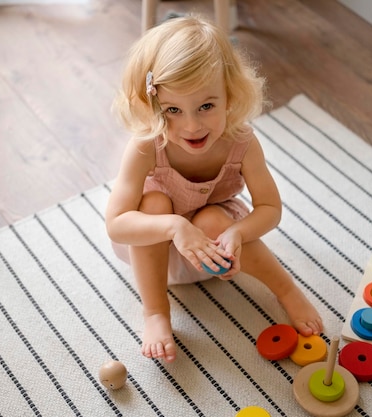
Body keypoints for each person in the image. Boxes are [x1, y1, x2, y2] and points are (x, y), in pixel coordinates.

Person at [105, 15, 323, 363]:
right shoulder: (147, 146)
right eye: (172, 110)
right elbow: (116, 223)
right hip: (156, 254)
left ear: (230, 95)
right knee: (156, 203)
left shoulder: (242, 142)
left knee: (209, 219)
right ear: (152, 105)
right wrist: (176, 226)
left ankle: (286, 289)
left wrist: (238, 232)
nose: (191, 126)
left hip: (217, 246)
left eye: (206, 106)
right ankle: (156, 313)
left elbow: (270, 208)